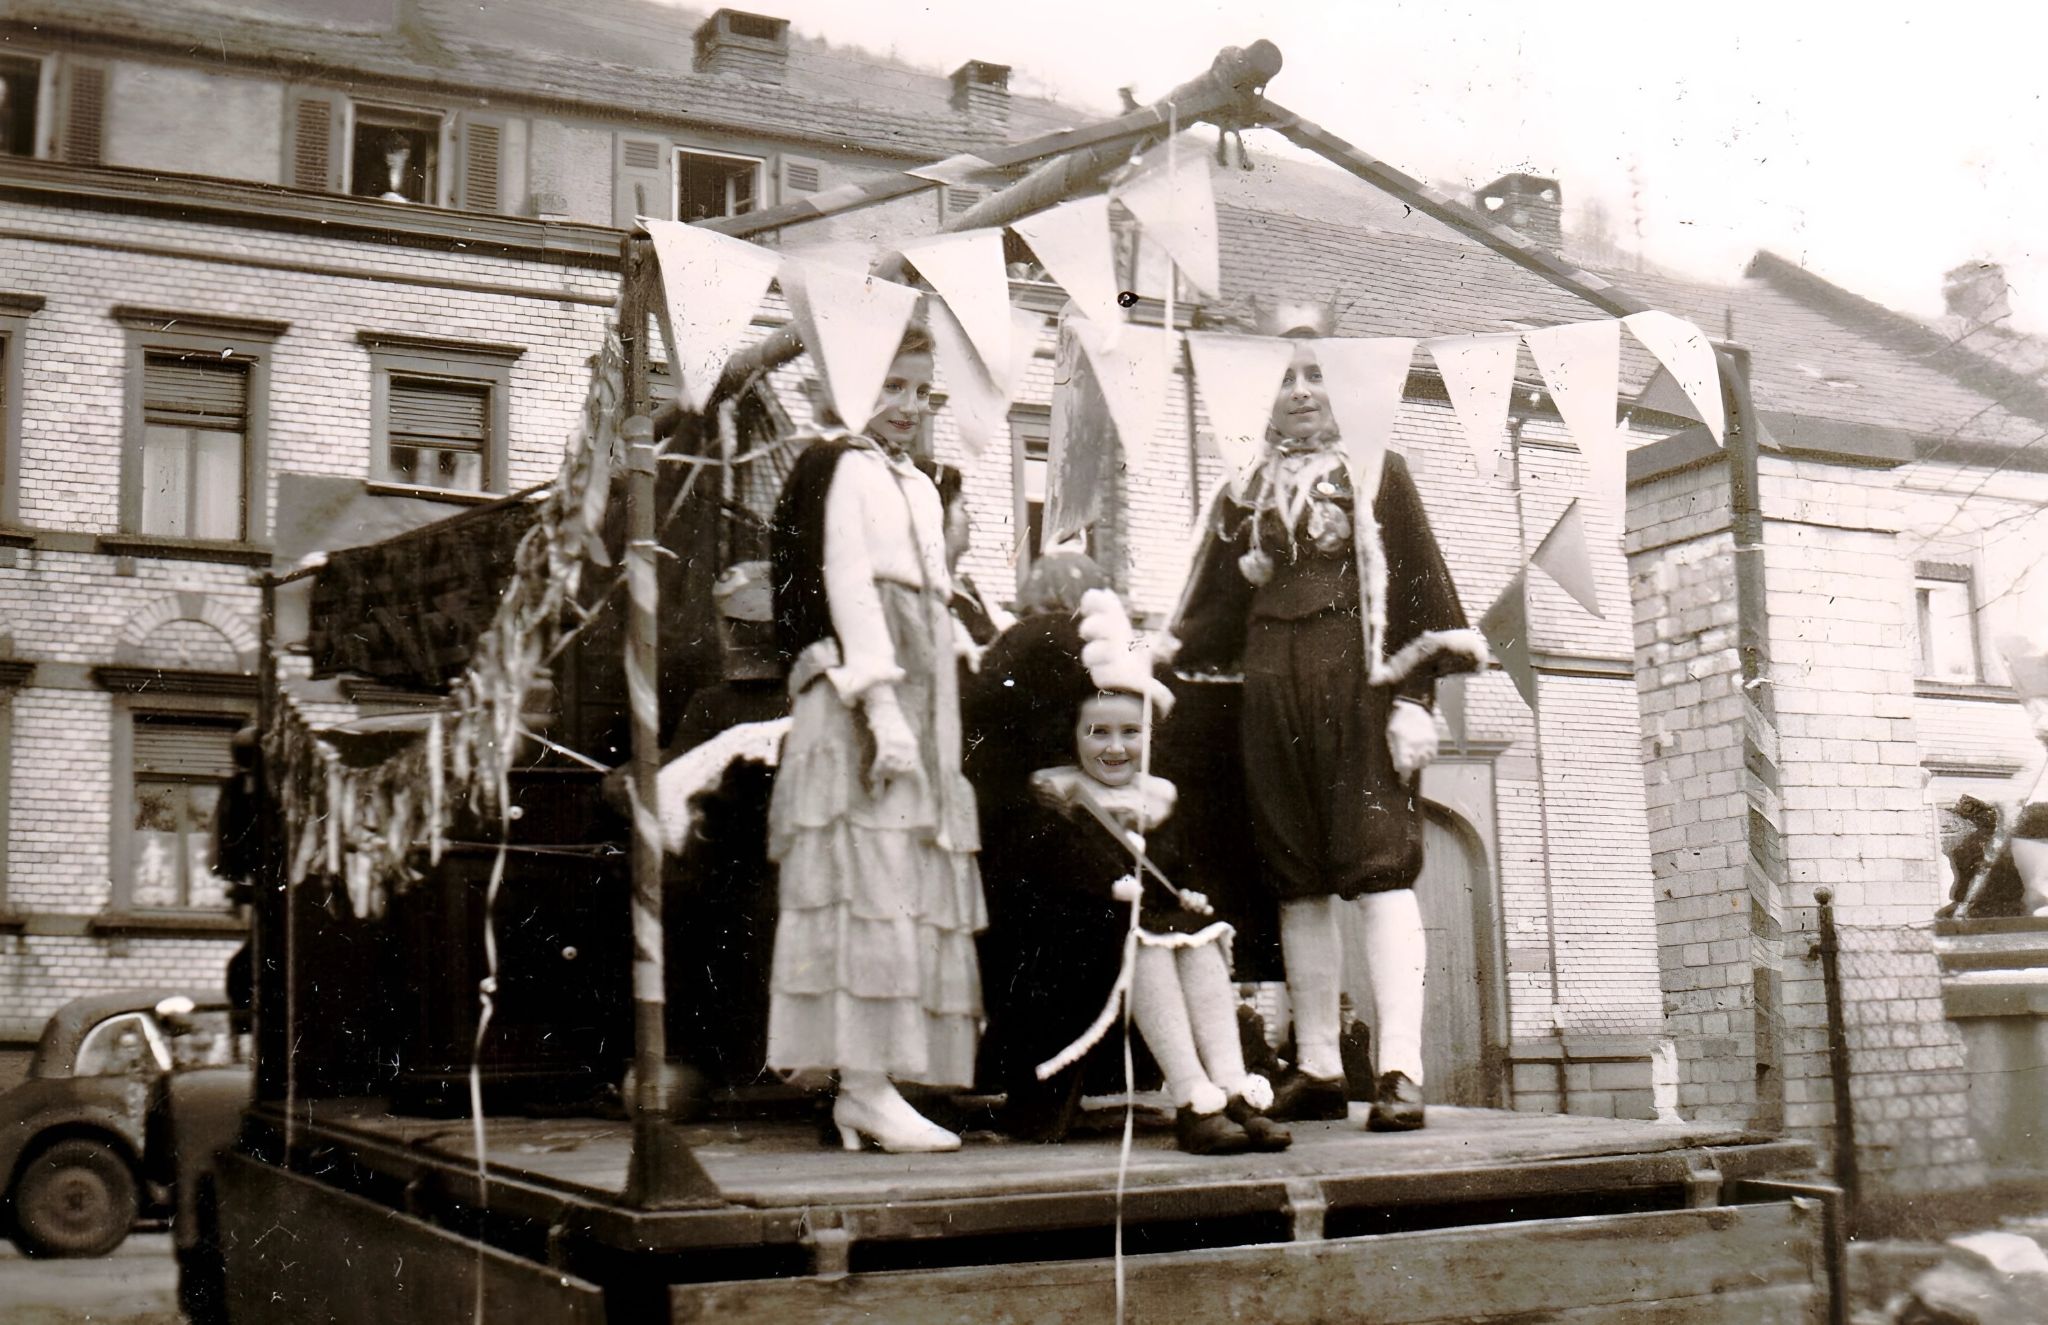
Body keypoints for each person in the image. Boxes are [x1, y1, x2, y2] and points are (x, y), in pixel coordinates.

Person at [1169, 314, 1487, 1132]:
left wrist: (1416, 701)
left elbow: (1420, 591)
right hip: (1271, 691)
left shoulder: (1384, 475)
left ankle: (1398, 1071)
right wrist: (1145, 658)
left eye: (1316, 375)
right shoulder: (1241, 494)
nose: (1302, 391)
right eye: (1285, 378)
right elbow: (1205, 614)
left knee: (1378, 866)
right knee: (1294, 873)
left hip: (1359, 687)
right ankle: (1315, 1062)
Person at [766, 324, 986, 1153]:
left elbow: (926, 587)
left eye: (920, 391)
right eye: (890, 386)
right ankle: (861, 1083)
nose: (907, 407)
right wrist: (879, 706)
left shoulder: (919, 484)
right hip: (867, 684)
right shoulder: (836, 465)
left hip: (920, 677)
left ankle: (881, 1077)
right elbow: (845, 581)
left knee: (909, 870)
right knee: (867, 872)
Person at [972, 590, 1289, 1153]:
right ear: (1073, 735)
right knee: (1149, 941)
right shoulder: (1058, 800)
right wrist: (1106, 883)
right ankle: (1192, 1096)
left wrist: (1188, 891)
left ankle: (1231, 1085)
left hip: (1144, 919)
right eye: (1099, 733)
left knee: (1201, 940)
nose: (1115, 748)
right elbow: (1055, 870)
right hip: (1079, 940)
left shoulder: (1157, 799)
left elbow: (1175, 864)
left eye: (1129, 733)